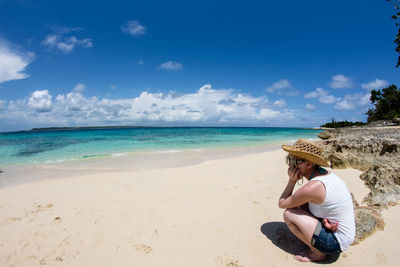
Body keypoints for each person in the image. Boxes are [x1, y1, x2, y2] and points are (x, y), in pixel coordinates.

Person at [278, 139, 355, 262]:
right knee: (302, 204)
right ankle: (316, 241)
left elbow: (282, 203)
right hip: (339, 234)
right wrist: (324, 221)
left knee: (289, 214)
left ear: (308, 164)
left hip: (334, 243)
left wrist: (291, 181)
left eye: (295, 161)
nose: (291, 165)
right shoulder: (326, 175)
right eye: (290, 160)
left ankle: (317, 252)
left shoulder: (314, 187)